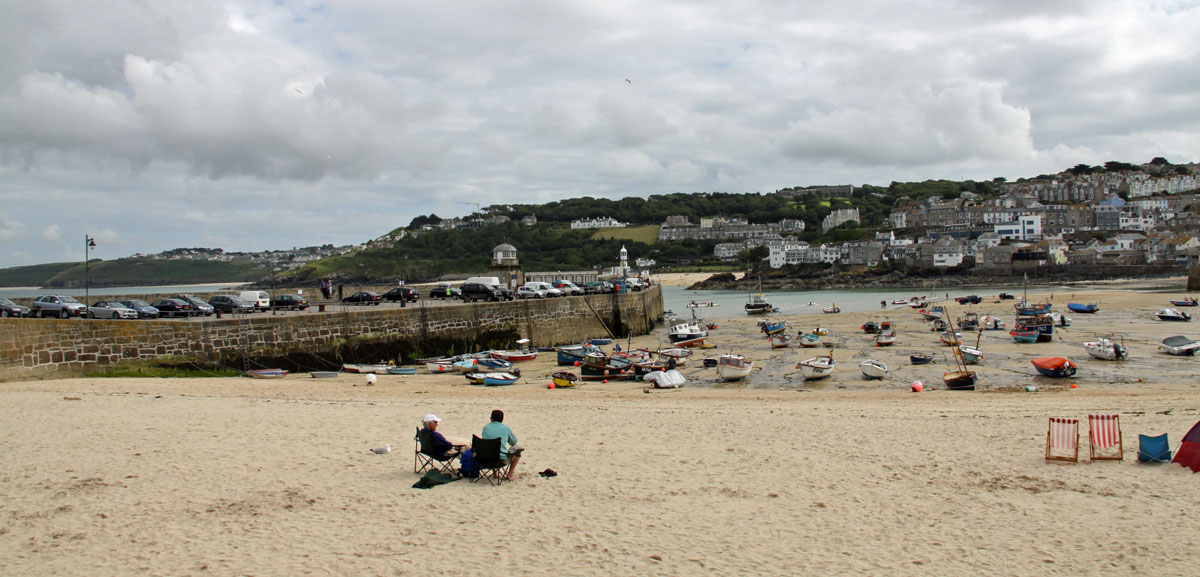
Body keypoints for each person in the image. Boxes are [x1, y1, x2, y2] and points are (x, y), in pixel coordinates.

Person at [481, 409, 522, 481]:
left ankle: (495, 474)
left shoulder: (485, 428)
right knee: (518, 450)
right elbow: (514, 442)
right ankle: (510, 474)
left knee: (491, 448)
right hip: (500, 460)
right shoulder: (505, 428)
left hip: (485, 459)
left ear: (492, 418)